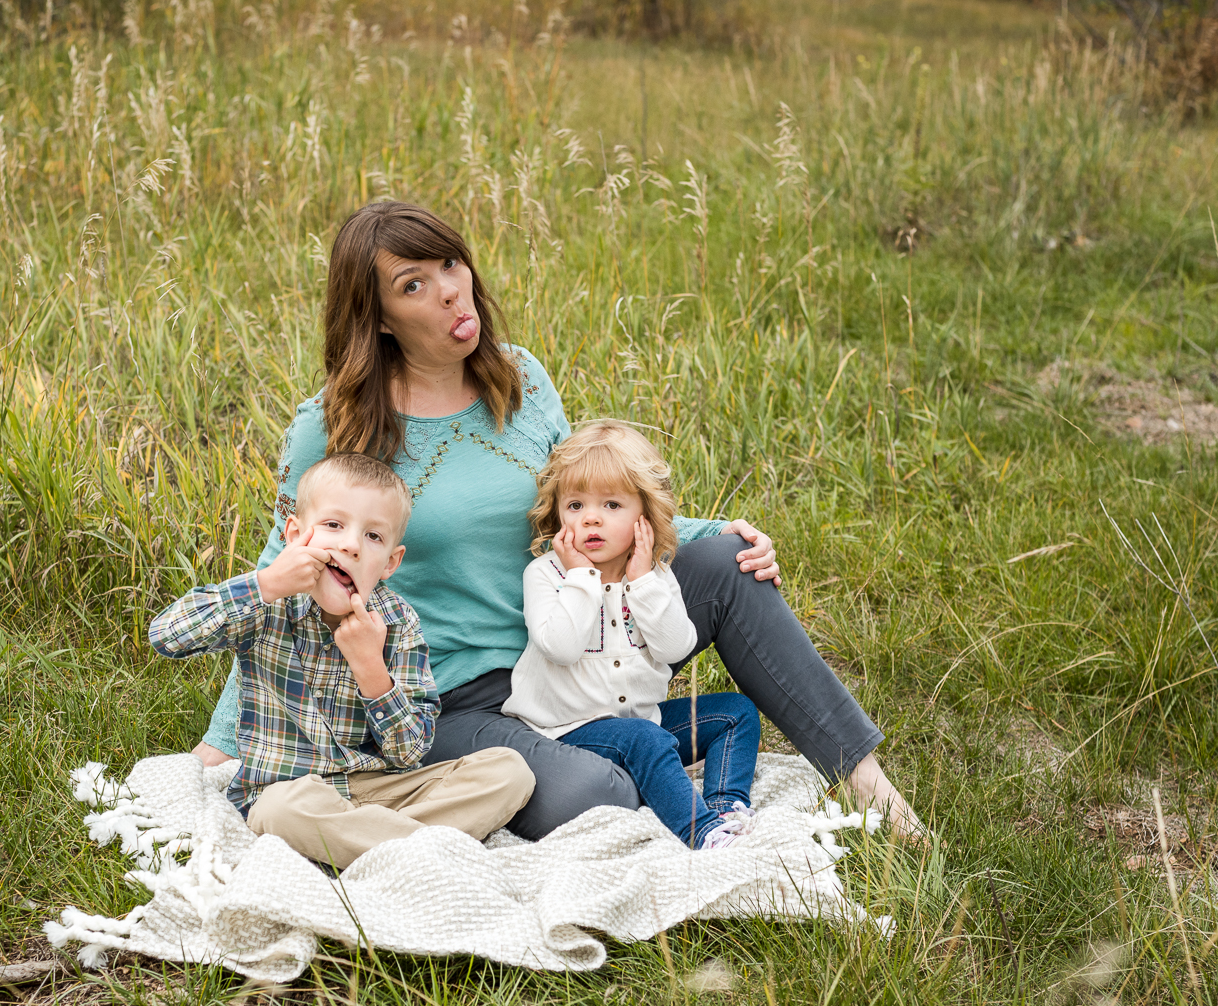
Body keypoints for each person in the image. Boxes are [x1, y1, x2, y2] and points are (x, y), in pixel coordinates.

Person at [191, 201, 923, 840]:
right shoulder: (333, 423)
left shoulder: (521, 379)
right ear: (378, 316)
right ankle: (627, 750)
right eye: (414, 285)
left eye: (450, 264)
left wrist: (716, 532)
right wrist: (226, 741)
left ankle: (871, 790)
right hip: (449, 695)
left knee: (729, 568)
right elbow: (282, 571)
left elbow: (580, 508)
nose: (450, 292)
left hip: (566, 642)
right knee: (598, 796)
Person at [149, 452, 535, 868]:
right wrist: (265, 583)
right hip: (289, 793)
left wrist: (371, 667)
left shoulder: (397, 623)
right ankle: (421, 851)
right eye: (334, 525)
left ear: (390, 562)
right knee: (280, 811)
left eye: (373, 536)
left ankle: (366, 842)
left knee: (510, 771)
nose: (350, 544)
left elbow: (410, 753)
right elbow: (167, 636)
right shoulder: (269, 605)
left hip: (380, 788)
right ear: (296, 535)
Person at [503, 420, 761, 850]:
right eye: (575, 505)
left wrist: (643, 583)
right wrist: (582, 576)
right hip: (567, 732)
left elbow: (675, 646)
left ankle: (726, 809)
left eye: (611, 505)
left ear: (644, 517)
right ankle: (701, 833)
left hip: (643, 726)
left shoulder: (653, 576)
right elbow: (561, 649)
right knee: (645, 739)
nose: (590, 518)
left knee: (736, 712)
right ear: (557, 513)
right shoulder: (545, 575)